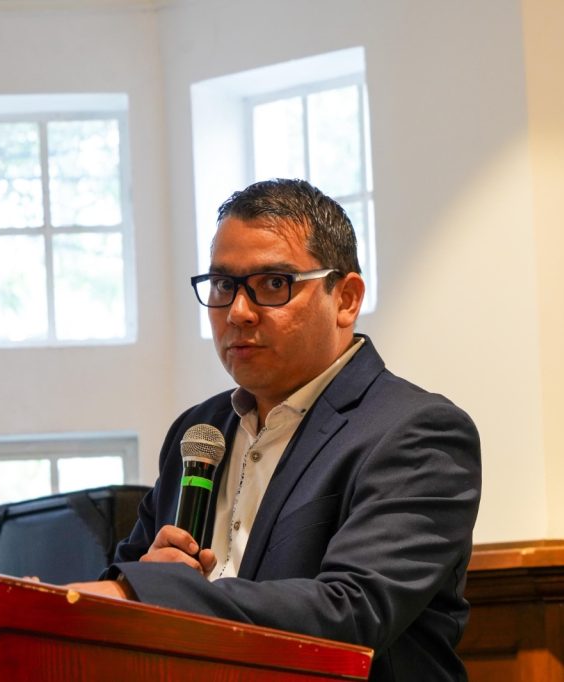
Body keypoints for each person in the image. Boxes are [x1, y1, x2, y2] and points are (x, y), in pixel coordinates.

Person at [69, 178, 481, 681]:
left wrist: (155, 594)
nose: (238, 313)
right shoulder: (198, 431)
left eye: (273, 284)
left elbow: (350, 611)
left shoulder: (418, 431)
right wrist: (148, 576)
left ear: (346, 299)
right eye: (223, 285)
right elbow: (126, 585)